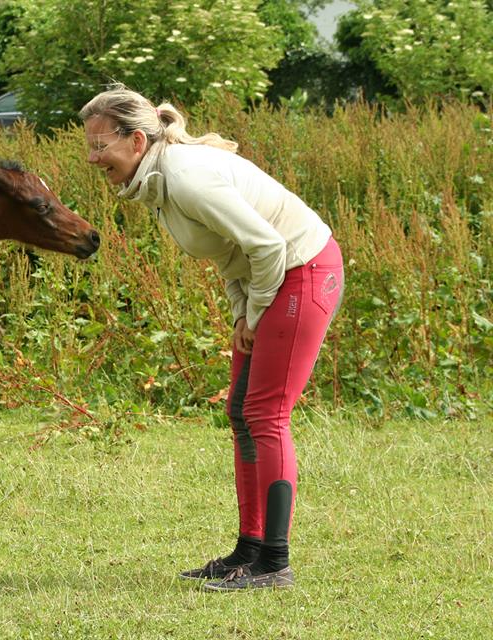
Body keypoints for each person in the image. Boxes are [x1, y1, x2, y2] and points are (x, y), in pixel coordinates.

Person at [80, 85, 344, 591]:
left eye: (100, 145)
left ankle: (274, 563)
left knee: (266, 413)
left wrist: (257, 309)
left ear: (136, 140)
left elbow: (267, 245)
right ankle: (249, 549)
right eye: (88, 145)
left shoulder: (185, 178)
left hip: (304, 271)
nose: (93, 158)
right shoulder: (158, 180)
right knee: (241, 410)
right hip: (272, 280)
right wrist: (244, 313)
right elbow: (230, 254)